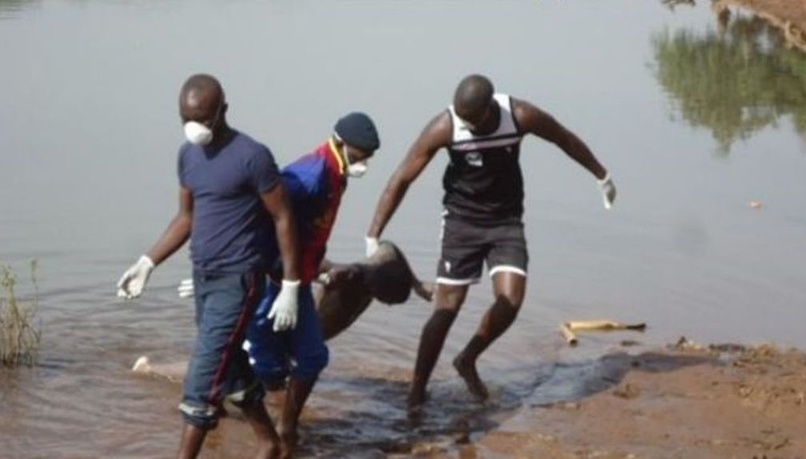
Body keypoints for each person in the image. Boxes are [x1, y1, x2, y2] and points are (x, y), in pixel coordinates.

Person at [364, 74, 617, 411]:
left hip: (505, 222)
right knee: (446, 309)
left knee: (511, 300)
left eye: (472, 120)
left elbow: (564, 138)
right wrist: (373, 234)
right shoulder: (445, 126)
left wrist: (601, 175)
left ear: (489, 108)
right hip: (461, 222)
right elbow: (402, 178)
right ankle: (417, 391)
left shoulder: (520, 115)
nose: (466, 125)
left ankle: (467, 358)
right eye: (462, 119)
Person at [176, 112, 383, 457]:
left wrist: (321, 269)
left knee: (307, 359)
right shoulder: (309, 176)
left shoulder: (337, 172)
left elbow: (308, 233)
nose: (364, 163)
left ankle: (283, 429)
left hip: (294, 281)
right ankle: (272, 428)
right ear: (342, 144)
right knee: (256, 364)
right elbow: (262, 216)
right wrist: (225, 268)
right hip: (270, 280)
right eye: (361, 155)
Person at [116, 73, 300, 459]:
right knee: (228, 368)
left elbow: (283, 218)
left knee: (201, 382)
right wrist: (148, 261)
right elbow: (186, 217)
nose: (194, 127)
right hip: (203, 278)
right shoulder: (188, 155)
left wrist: (290, 286)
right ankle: (271, 445)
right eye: (185, 118)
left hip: (239, 281)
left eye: (202, 118)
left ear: (223, 111)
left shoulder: (253, 156)